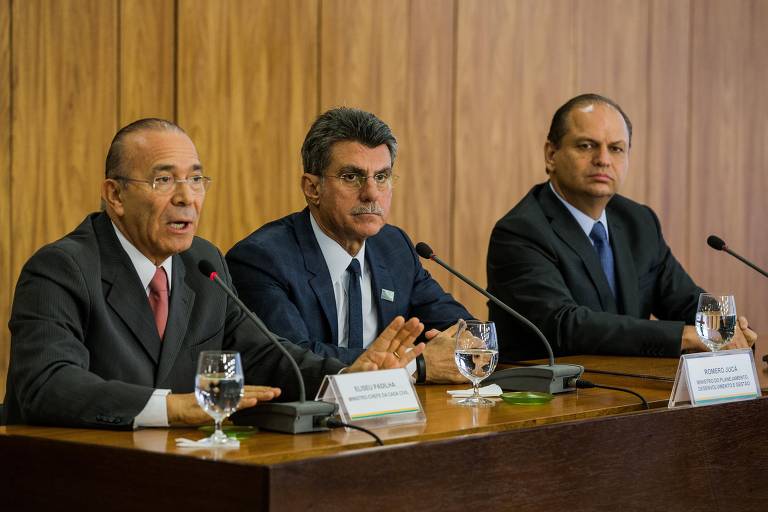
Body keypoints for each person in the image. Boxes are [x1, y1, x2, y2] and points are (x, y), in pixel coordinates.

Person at [2, 118, 425, 428]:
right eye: (164, 179)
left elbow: (265, 354)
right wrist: (173, 407)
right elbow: (46, 384)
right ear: (115, 194)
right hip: (71, 477)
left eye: (197, 179)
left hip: (176, 468)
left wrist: (345, 376)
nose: (187, 198)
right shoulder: (62, 268)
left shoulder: (200, 262)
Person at [486, 93, 757, 361]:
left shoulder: (638, 221)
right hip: (549, 396)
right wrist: (683, 337)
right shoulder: (520, 232)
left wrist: (724, 327)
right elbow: (565, 324)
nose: (603, 159)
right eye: (586, 146)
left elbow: (683, 299)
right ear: (551, 154)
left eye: (616, 148)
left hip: (632, 389)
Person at [227, 107, 472, 383]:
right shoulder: (262, 258)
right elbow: (291, 359)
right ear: (312, 188)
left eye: (381, 177)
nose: (370, 193)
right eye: (351, 177)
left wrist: (464, 345)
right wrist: (414, 366)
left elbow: (462, 329)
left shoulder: (394, 247)